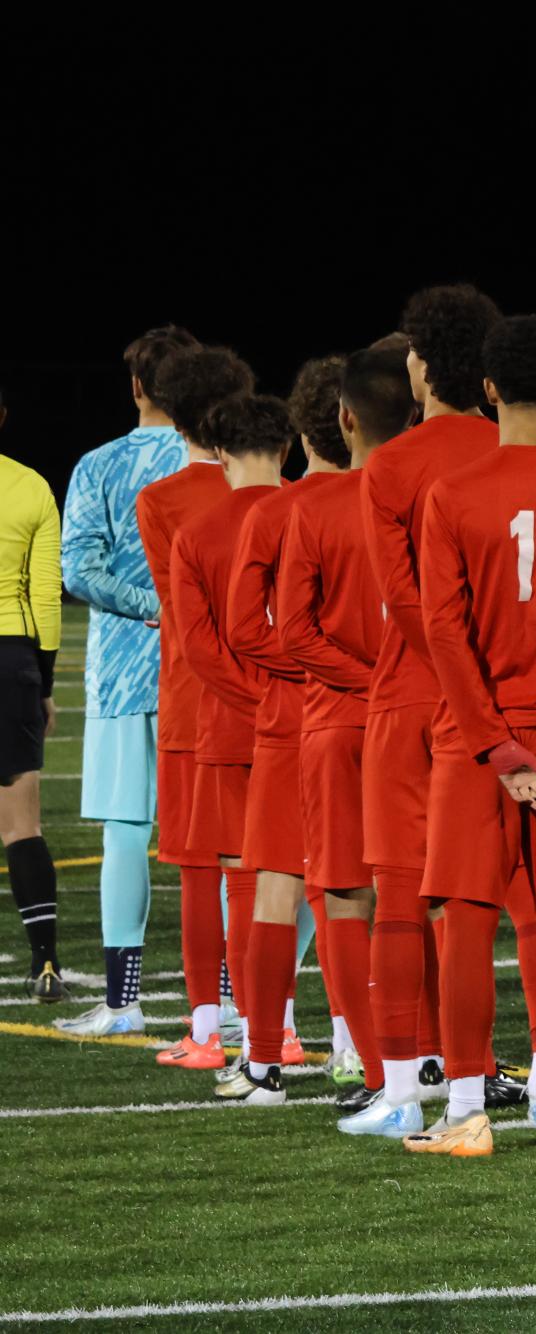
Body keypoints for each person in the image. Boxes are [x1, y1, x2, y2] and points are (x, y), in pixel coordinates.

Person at [401, 314, 536, 1159]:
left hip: (475, 740)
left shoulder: (451, 493)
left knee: (466, 918)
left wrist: (495, 749)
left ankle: (465, 1108)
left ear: (486, 388)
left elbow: (443, 634)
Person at [357, 284, 536, 1128]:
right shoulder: (525, 453)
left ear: (422, 365)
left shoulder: (391, 465)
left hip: (417, 699)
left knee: (409, 897)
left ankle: (409, 1089)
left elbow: (408, 605)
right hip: (527, 697)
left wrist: (465, 688)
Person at [214, 363, 352, 1104]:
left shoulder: (274, 512)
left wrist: (304, 671)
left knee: (274, 889)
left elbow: (244, 628)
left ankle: (263, 1062)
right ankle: (373, 1054)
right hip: (379, 719)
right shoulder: (391, 502)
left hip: (290, 720)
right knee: (367, 890)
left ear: (302, 432)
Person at [56, 326, 199, 1030]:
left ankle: (123, 1002)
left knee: (124, 830)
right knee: (224, 840)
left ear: (138, 387)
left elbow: (79, 569)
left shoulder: (99, 465)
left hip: (121, 671)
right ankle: (235, 1000)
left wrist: (151, 607)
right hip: (209, 672)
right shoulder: (226, 463)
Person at [278, 345, 403, 1119]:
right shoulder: (430, 495)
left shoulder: (311, 509)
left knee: (346, 896)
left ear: (343, 421)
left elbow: (292, 631)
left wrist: (365, 682)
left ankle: (376, 1063)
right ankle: (463, 1063)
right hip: (423, 723)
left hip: (337, 723)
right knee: (428, 897)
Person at [169, 392, 290, 1094]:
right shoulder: (314, 508)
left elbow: (201, 650)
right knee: (354, 888)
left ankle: (260, 1047)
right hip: (325, 714)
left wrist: (261, 700)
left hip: (240, 730)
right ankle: (355, 1044)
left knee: (249, 888)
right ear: (289, 445)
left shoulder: (200, 532)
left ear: (216, 451)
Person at [139, 345, 252, 1068]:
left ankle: (207, 1031)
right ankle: (276, 1027)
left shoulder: (163, 501)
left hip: (191, 701)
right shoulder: (278, 491)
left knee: (197, 870)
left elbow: (171, 606)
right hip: (269, 702)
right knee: (261, 869)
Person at [0, 385, 65, 1001]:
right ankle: (45, 962)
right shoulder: (31, 486)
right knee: (21, 822)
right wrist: (42, 682)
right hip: (11, 656)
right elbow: (45, 594)